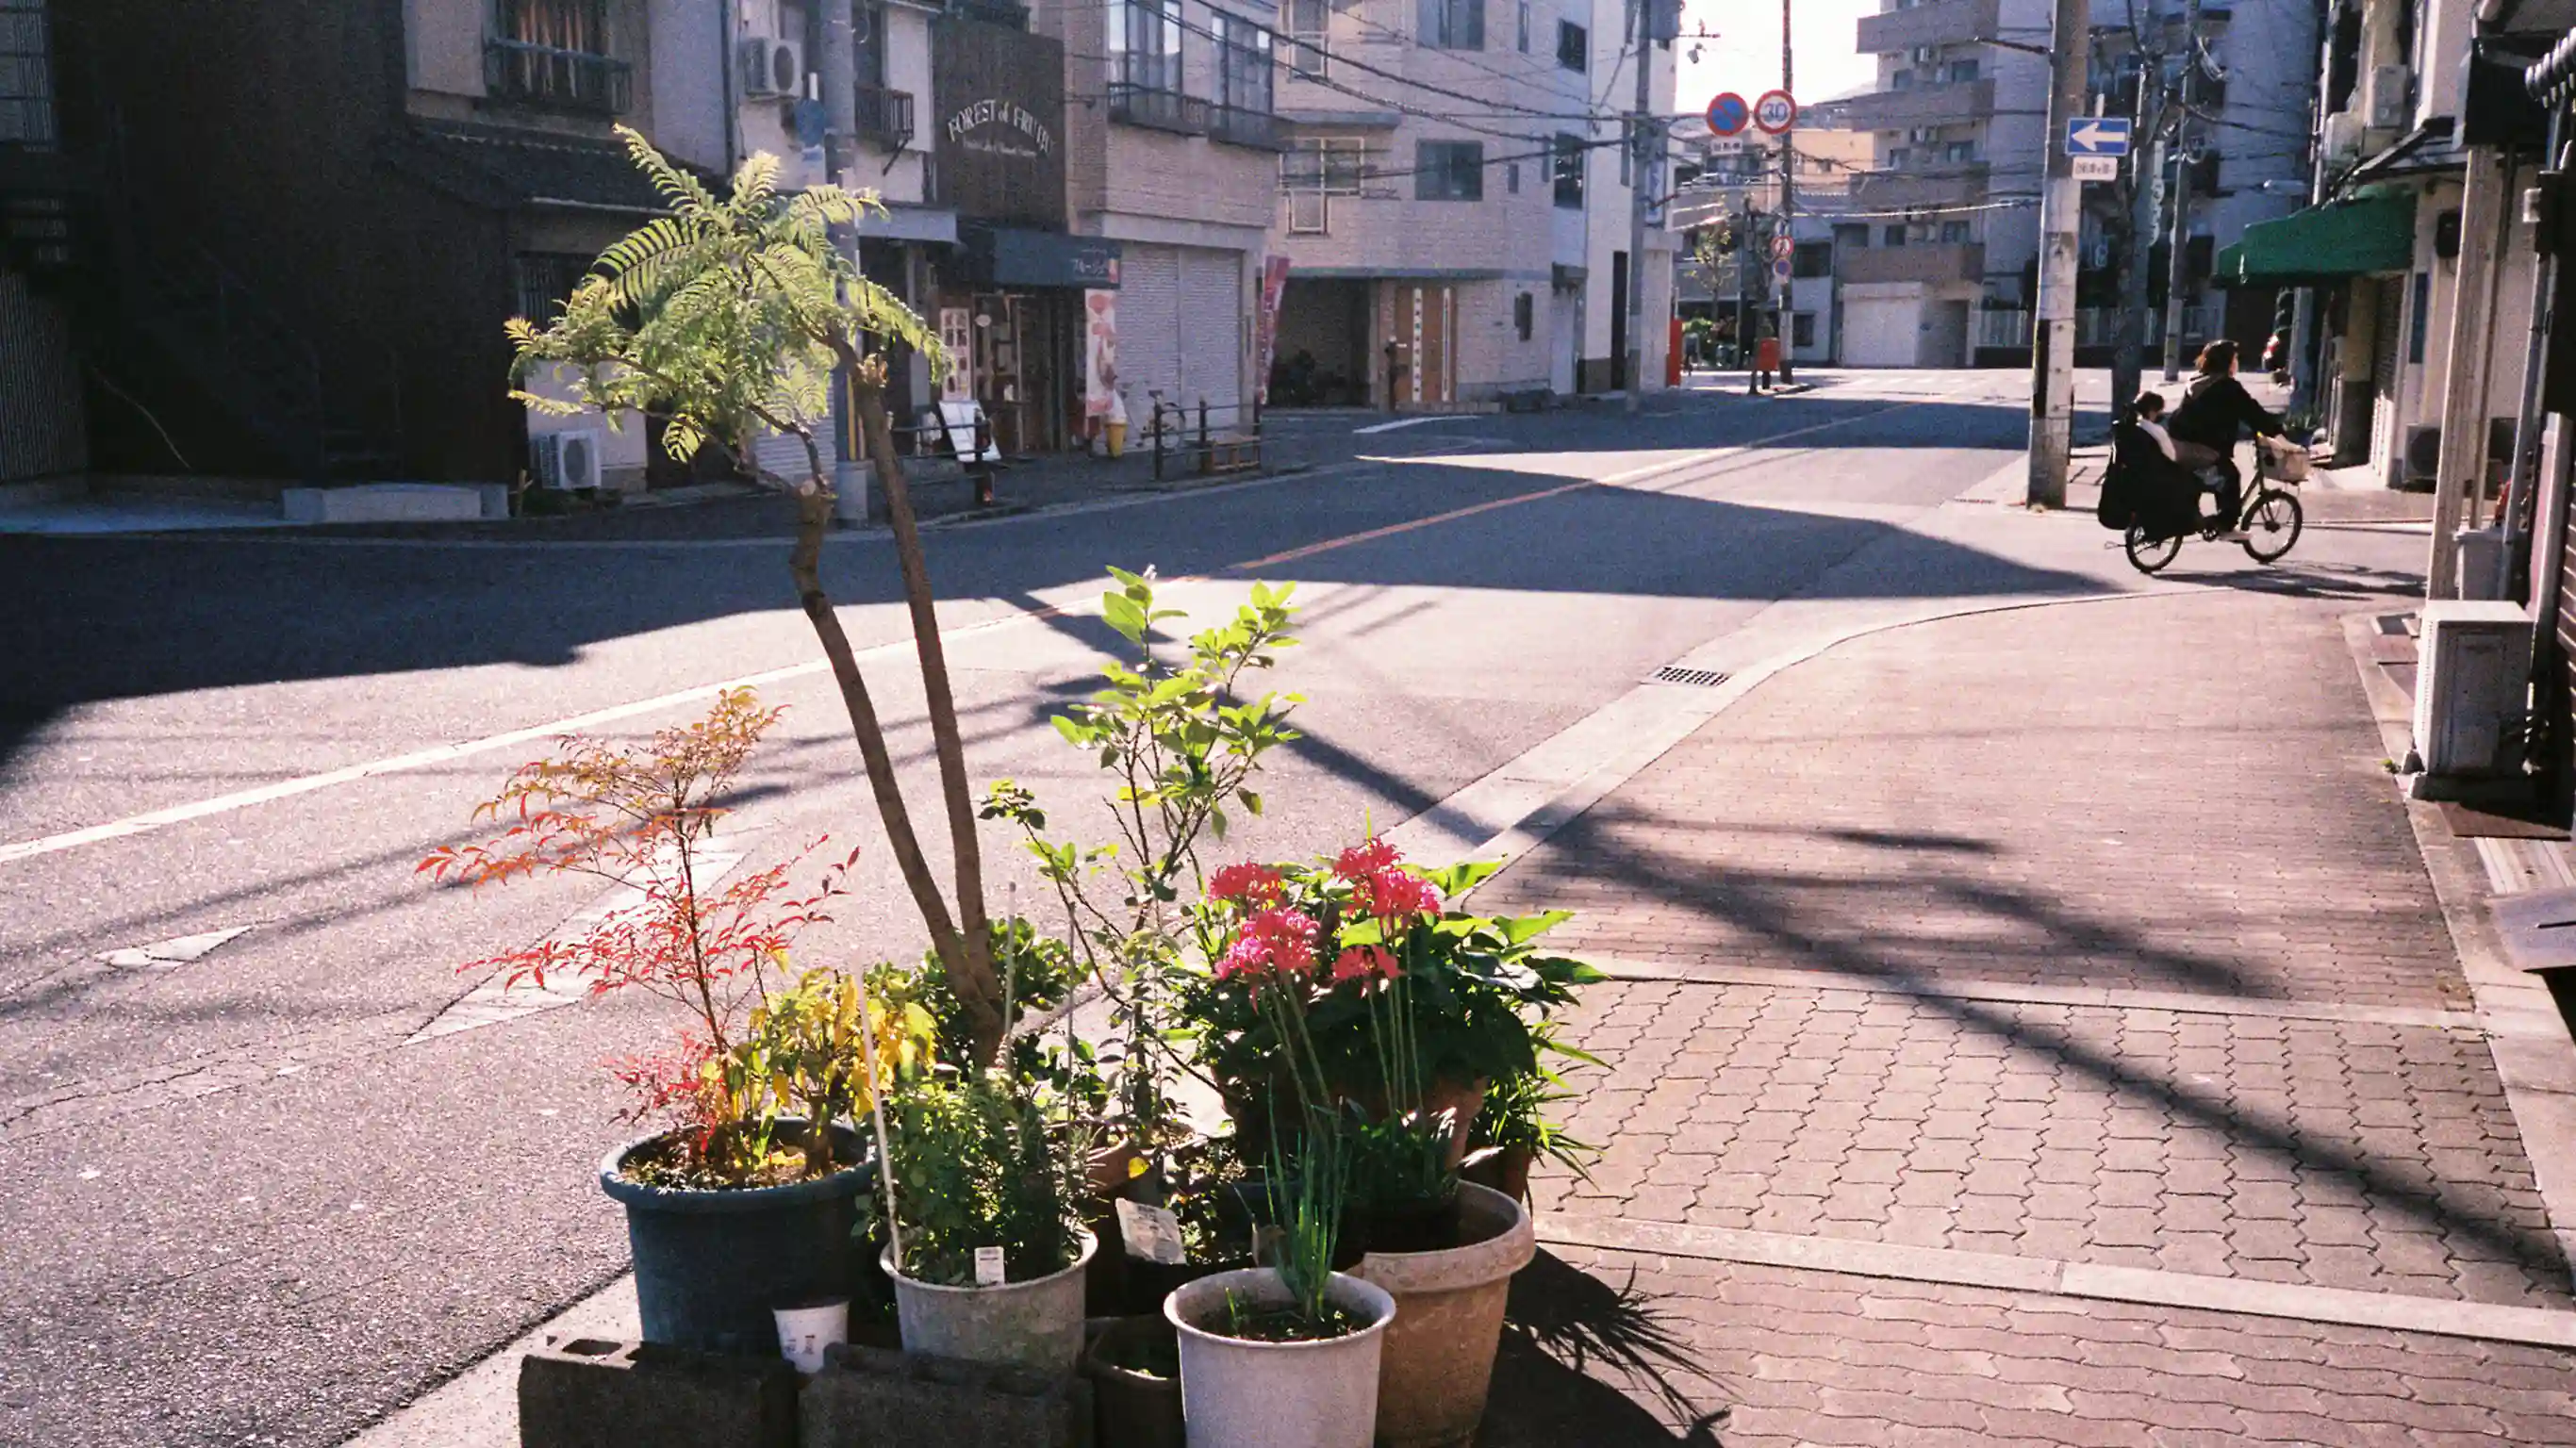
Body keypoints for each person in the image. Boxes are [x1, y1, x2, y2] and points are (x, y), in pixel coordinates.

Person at [2167, 338, 2283, 537]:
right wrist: (2278, 431)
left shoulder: (2197, 381)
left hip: (2178, 444)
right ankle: (2226, 525)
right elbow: (2252, 412)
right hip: (2200, 449)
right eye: (2235, 358)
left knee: (2199, 478)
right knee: (2229, 476)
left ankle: (2191, 517)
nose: (2236, 363)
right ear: (2227, 362)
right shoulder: (2227, 386)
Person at [1749, 322, 1780, 395]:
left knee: (1765, 372)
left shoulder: (1760, 341)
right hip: (1767, 359)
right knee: (1766, 372)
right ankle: (1765, 386)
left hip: (1763, 358)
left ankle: (1764, 386)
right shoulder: (1772, 341)